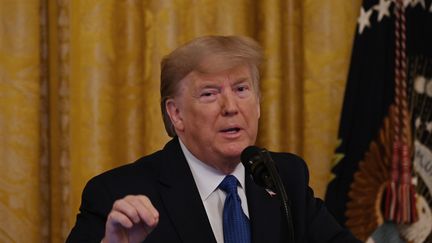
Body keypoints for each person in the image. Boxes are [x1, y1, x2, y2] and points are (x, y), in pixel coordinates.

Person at [67, 35, 360, 243]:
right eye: (209, 93)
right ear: (176, 114)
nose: (231, 107)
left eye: (242, 90)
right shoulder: (117, 193)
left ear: (257, 104)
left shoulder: (284, 177)